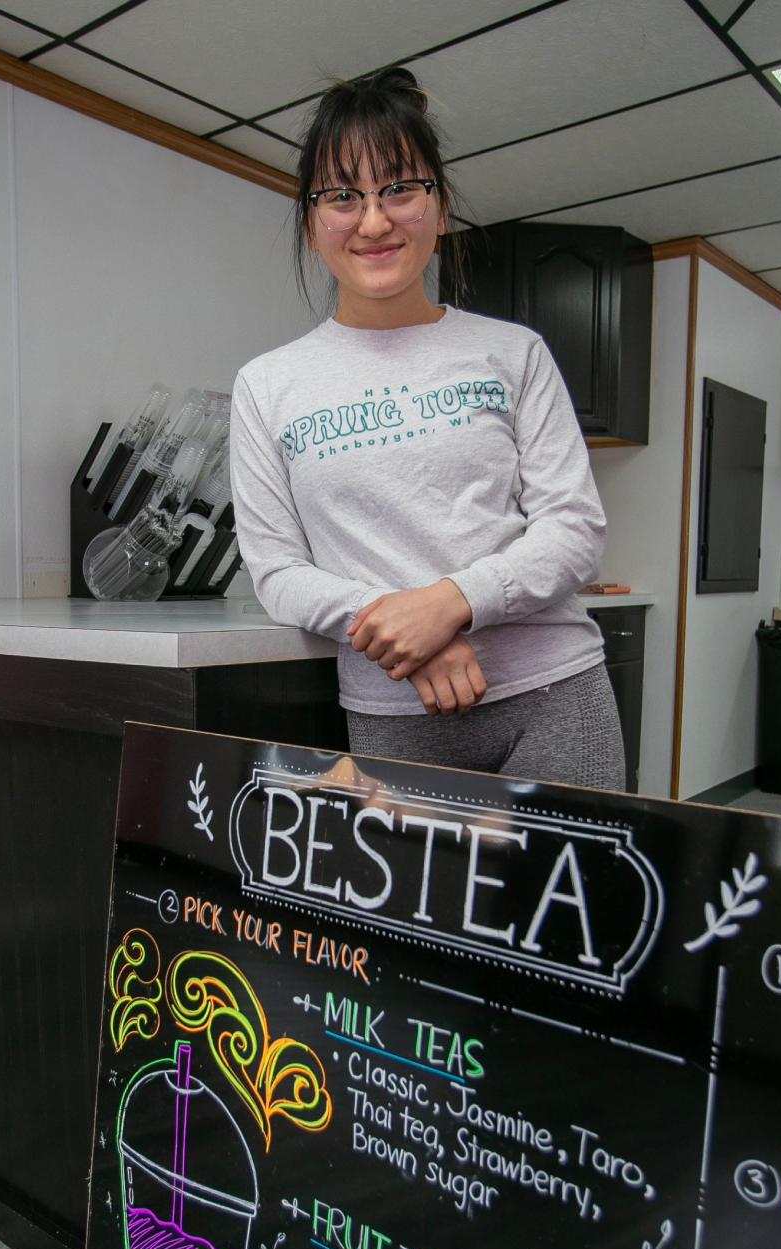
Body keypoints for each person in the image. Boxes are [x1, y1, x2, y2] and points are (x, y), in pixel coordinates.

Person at [229, 67, 625, 790]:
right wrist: (401, 630)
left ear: (439, 210)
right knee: (415, 903)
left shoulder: (513, 353)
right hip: (393, 713)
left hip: (555, 698)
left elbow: (573, 529)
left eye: (400, 189)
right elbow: (277, 571)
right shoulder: (266, 385)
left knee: (571, 905)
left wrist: (450, 604)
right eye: (343, 195)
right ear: (313, 222)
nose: (374, 221)